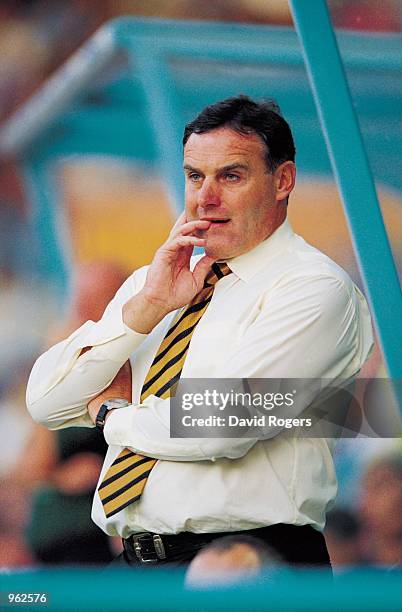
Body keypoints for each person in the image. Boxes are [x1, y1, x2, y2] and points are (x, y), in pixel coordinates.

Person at [26, 95, 373, 569]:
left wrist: (113, 416)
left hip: (251, 562)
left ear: (283, 181)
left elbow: (222, 423)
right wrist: (144, 310)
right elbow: (46, 402)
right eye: (195, 176)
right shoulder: (161, 280)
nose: (205, 197)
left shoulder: (315, 288)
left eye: (230, 175)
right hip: (135, 563)